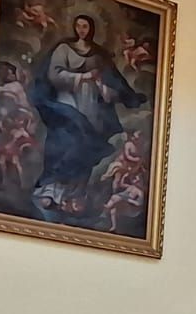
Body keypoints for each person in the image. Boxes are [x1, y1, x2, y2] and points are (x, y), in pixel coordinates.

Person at [28, 13, 146, 218]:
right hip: (67, 100)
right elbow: (54, 75)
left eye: (85, 26)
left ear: (92, 28)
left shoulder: (99, 56)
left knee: (87, 148)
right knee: (66, 141)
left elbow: (113, 82)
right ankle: (50, 191)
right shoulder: (63, 49)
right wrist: (83, 76)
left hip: (92, 105)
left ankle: (73, 197)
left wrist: (113, 91)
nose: (82, 30)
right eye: (79, 26)